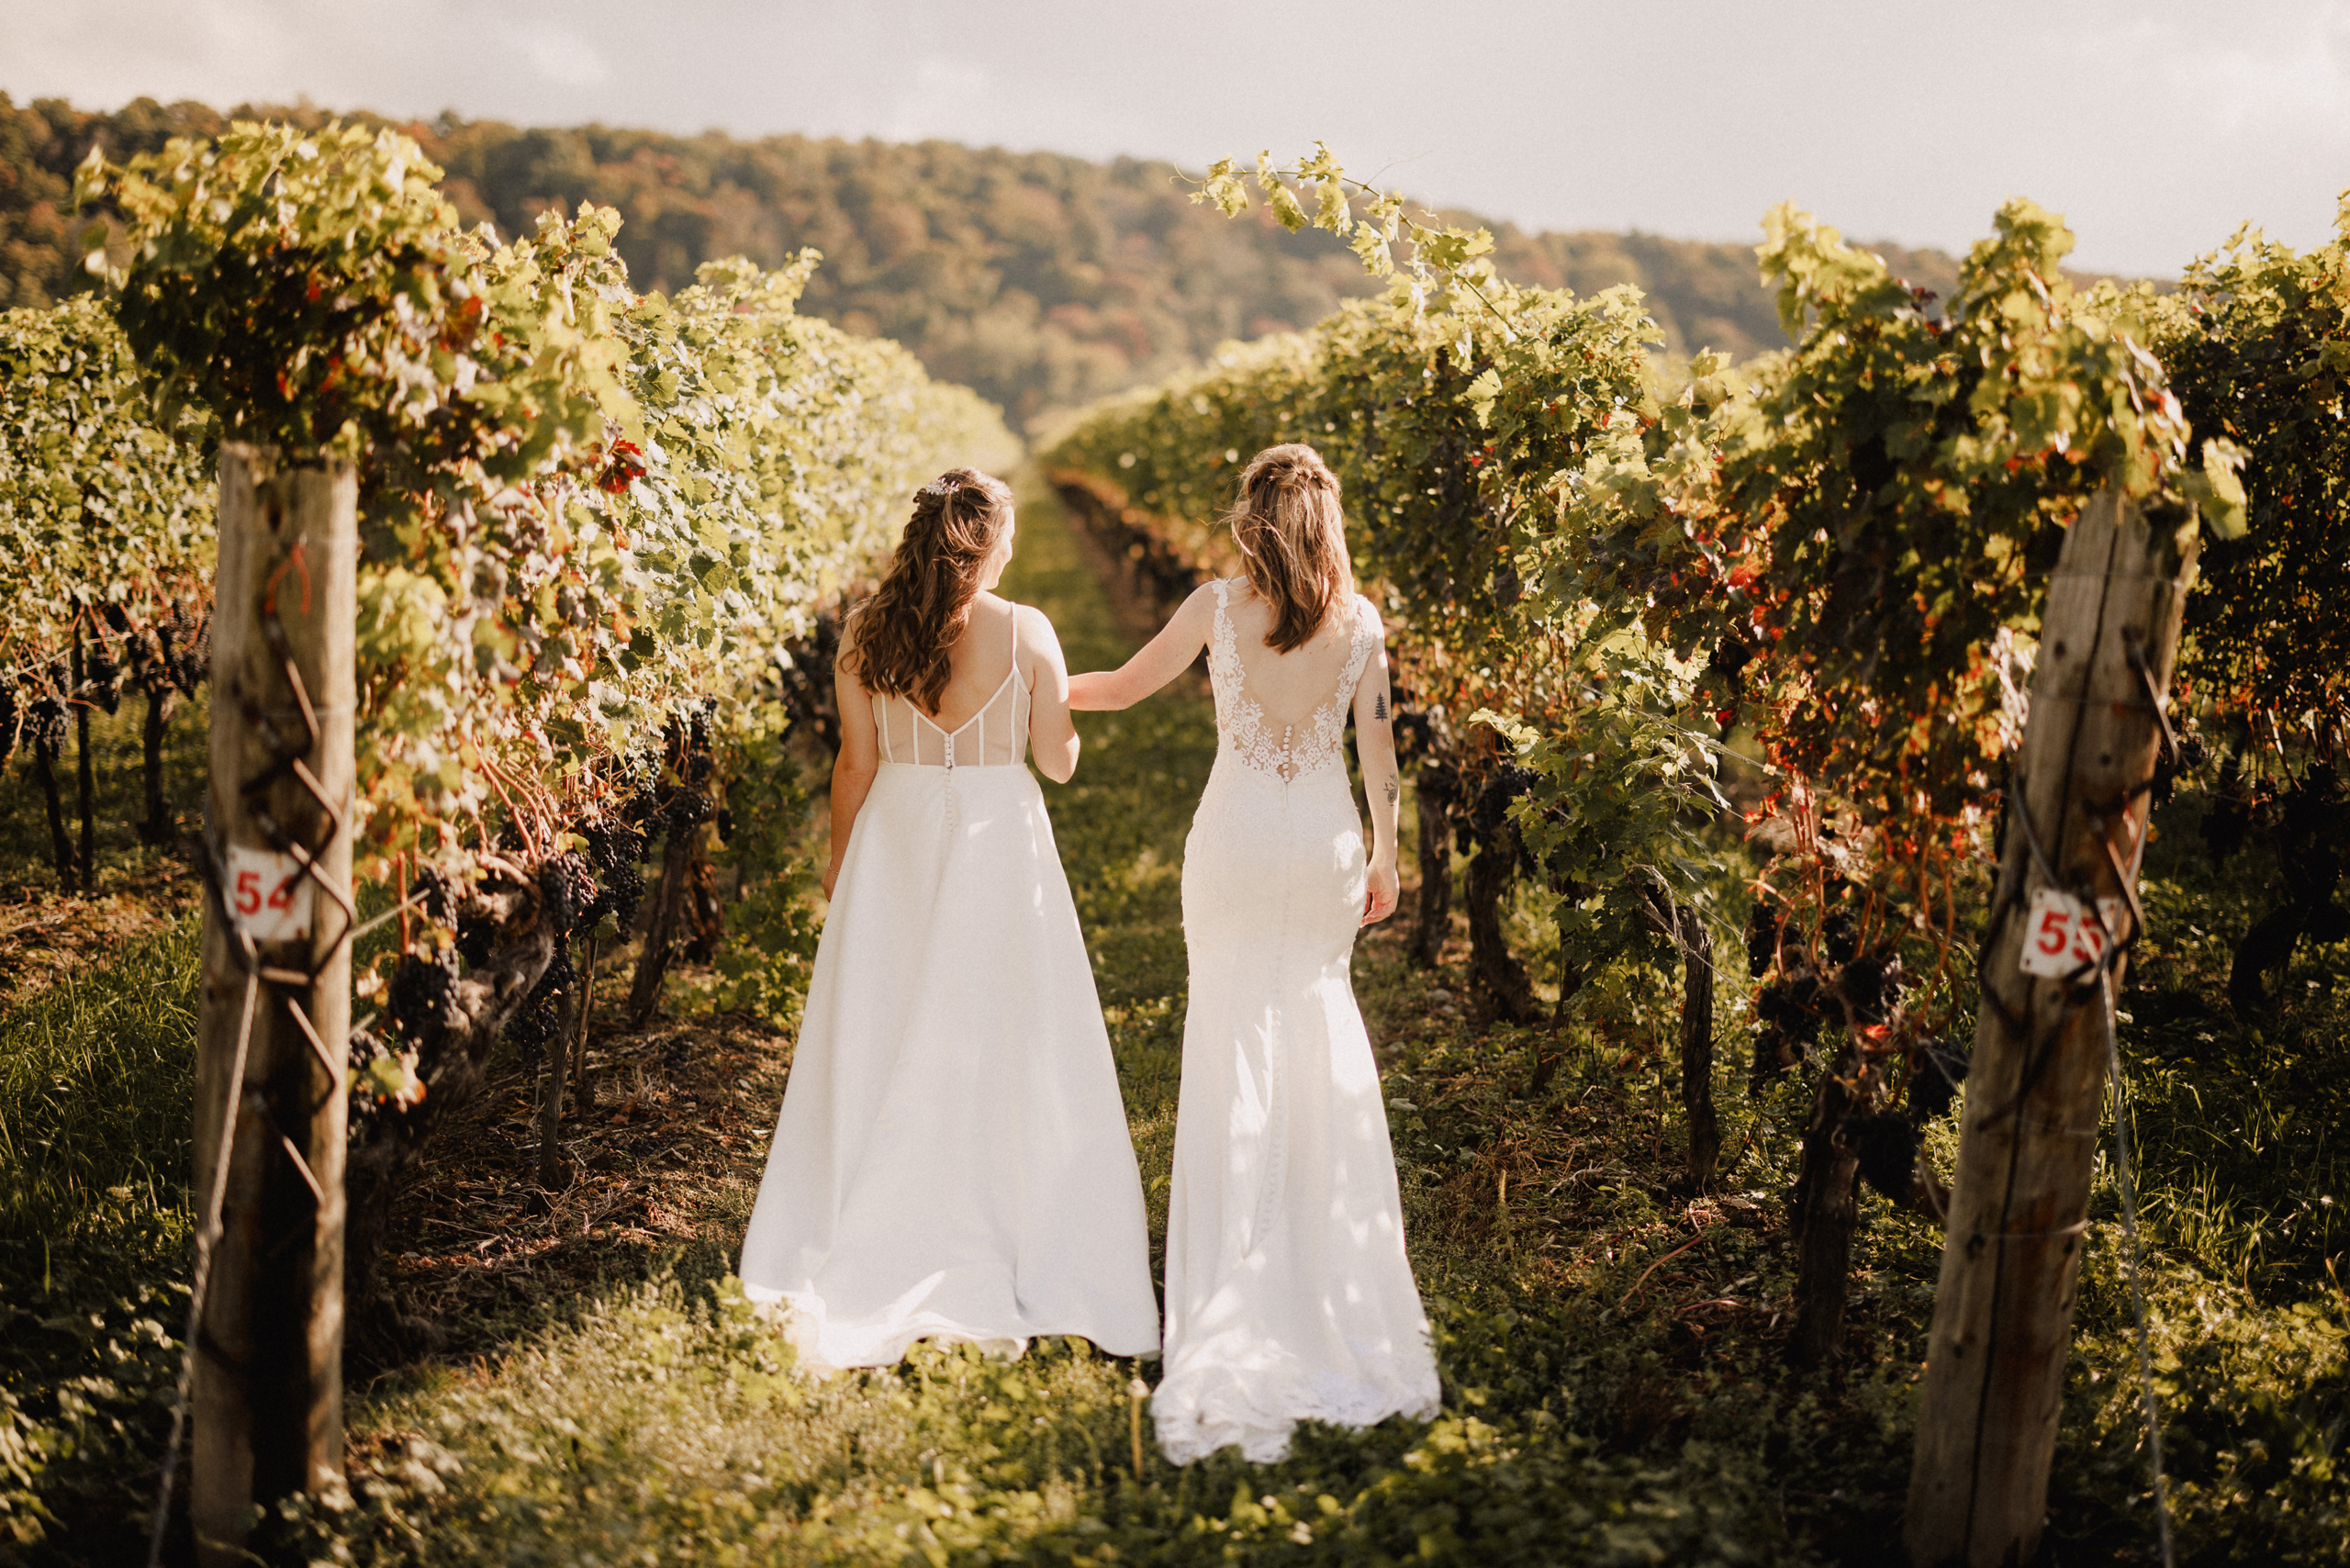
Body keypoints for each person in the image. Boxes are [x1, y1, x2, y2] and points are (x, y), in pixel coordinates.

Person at [1068, 442, 1441, 1463]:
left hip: (1232, 844)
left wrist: (1028, 683)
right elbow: (1379, 752)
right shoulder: (1360, 624)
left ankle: (1231, 1268)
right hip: (1319, 845)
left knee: (1232, 1033)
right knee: (1318, 1028)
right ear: (1326, 523)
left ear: (1252, 519)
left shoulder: (1209, 609)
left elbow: (1121, 688)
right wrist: (1386, 854)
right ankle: (1327, 1271)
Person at [738, 467, 1159, 1371]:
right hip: (997, 838)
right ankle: (1001, 1204)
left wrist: (840, 867)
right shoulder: (1026, 631)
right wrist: (1060, 713)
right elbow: (1058, 763)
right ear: (991, 542)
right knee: (1006, 1024)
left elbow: (853, 764)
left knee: (889, 1015)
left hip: (896, 832)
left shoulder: (864, 630)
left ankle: (879, 1201)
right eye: (1005, 535)